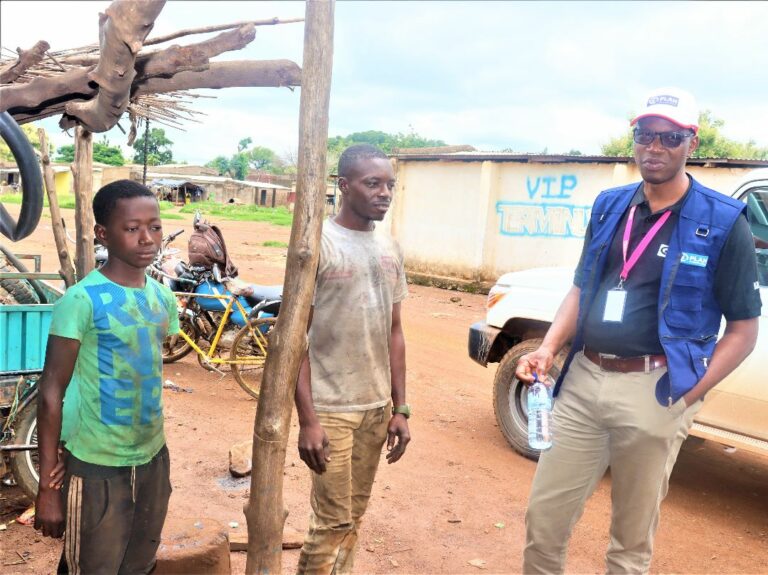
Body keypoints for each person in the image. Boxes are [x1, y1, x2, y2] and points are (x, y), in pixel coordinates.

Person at [516, 87, 761, 574]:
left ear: (691, 141)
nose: (655, 147)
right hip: (583, 381)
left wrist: (690, 393)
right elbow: (581, 289)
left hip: (657, 389)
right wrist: (548, 347)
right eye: (645, 135)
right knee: (543, 522)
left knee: (629, 545)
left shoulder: (722, 221)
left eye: (669, 137)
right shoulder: (609, 206)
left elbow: (743, 330)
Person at [34, 179, 180, 574]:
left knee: (140, 564)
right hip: (97, 465)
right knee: (92, 567)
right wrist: (48, 487)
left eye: (155, 226)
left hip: (153, 457)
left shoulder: (162, 298)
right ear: (103, 233)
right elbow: (51, 393)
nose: (147, 238)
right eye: (132, 229)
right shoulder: (79, 300)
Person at [295, 144, 411, 574]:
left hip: (376, 409)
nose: (384, 193)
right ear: (343, 186)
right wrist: (308, 419)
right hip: (332, 410)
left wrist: (400, 407)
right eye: (373, 183)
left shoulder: (389, 249)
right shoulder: (317, 246)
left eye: (390, 185)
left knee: (353, 520)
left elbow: (395, 332)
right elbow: (293, 342)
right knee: (331, 523)